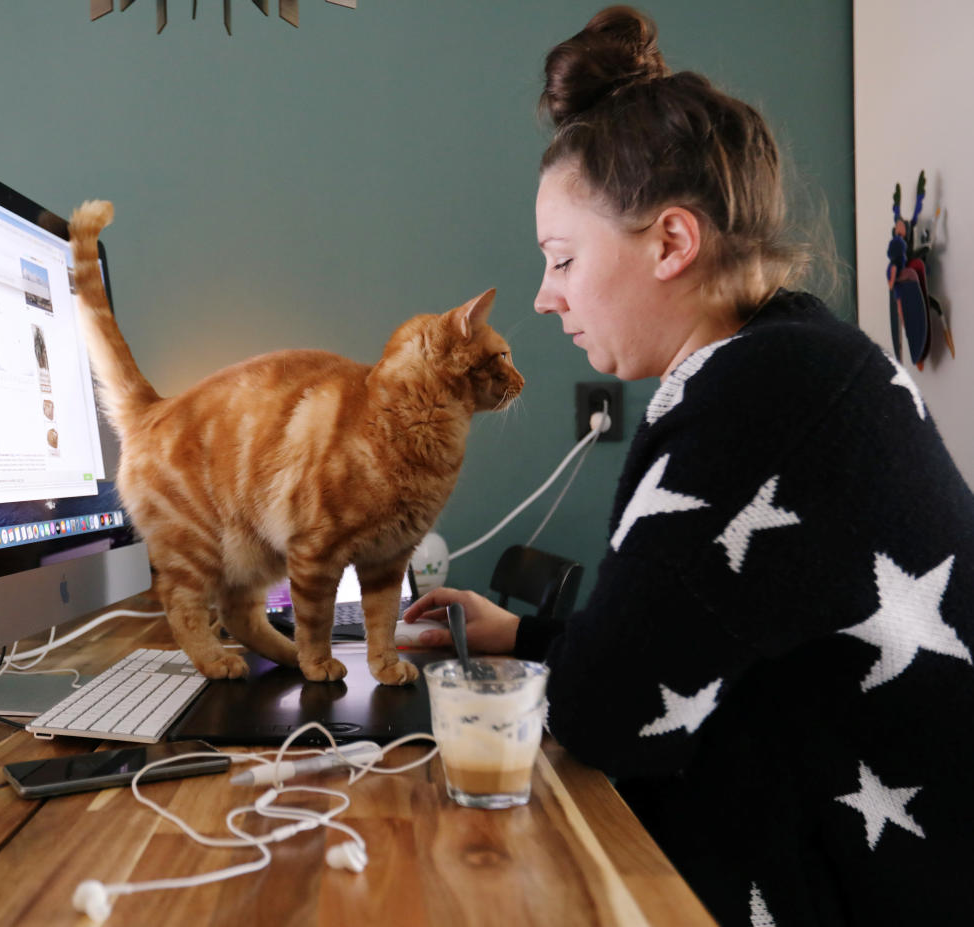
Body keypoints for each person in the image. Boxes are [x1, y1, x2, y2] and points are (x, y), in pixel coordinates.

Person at [402, 6, 974, 925]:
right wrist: (520, 636)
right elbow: (688, 647)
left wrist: (557, 663)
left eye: (561, 259)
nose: (547, 298)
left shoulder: (760, 396)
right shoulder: (787, 354)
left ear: (671, 242)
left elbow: (609, 712)